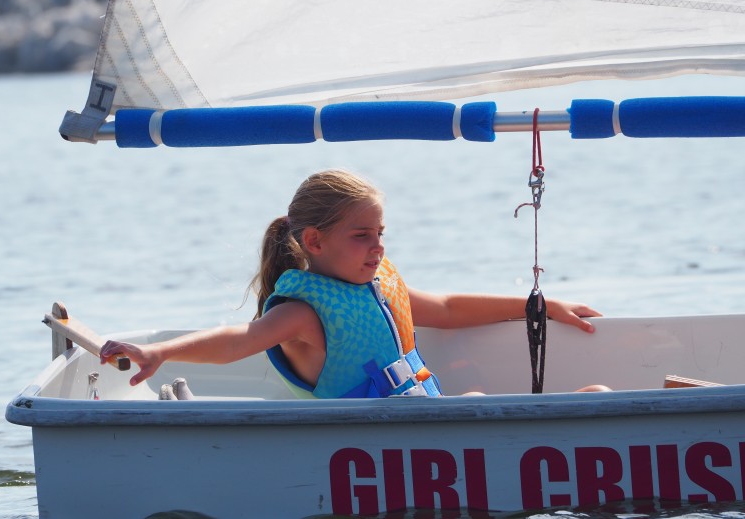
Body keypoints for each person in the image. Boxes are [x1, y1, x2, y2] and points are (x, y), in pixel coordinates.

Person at [100, 169, 608, 397]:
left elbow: (448, 308)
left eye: (381, 233)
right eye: (362, 235)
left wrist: (540, 306)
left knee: (588, 393)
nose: (377, 247)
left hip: (425, 427)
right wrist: (161, 352)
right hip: (386, 441)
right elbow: (239, 341)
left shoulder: (377, 287)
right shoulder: (302, 311)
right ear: (315, 242)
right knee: (477, 401)